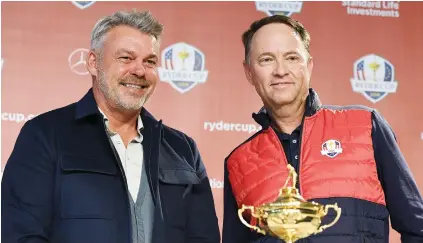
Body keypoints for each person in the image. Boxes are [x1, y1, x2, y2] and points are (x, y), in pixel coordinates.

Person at [2, 10, 220, 243]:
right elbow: (21, 233)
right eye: (126, 58)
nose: (139, 71)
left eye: (150, 61)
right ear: (93, 63)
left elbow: (203, 237)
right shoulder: (44, 135)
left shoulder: (183, 149)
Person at [222, 14, 423, 243]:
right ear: (249, 72)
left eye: (291, 57)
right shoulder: (238, 162)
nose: (280, 70)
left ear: (308, 65)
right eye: (266, 59)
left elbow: (417, 228)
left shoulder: (365, 125)